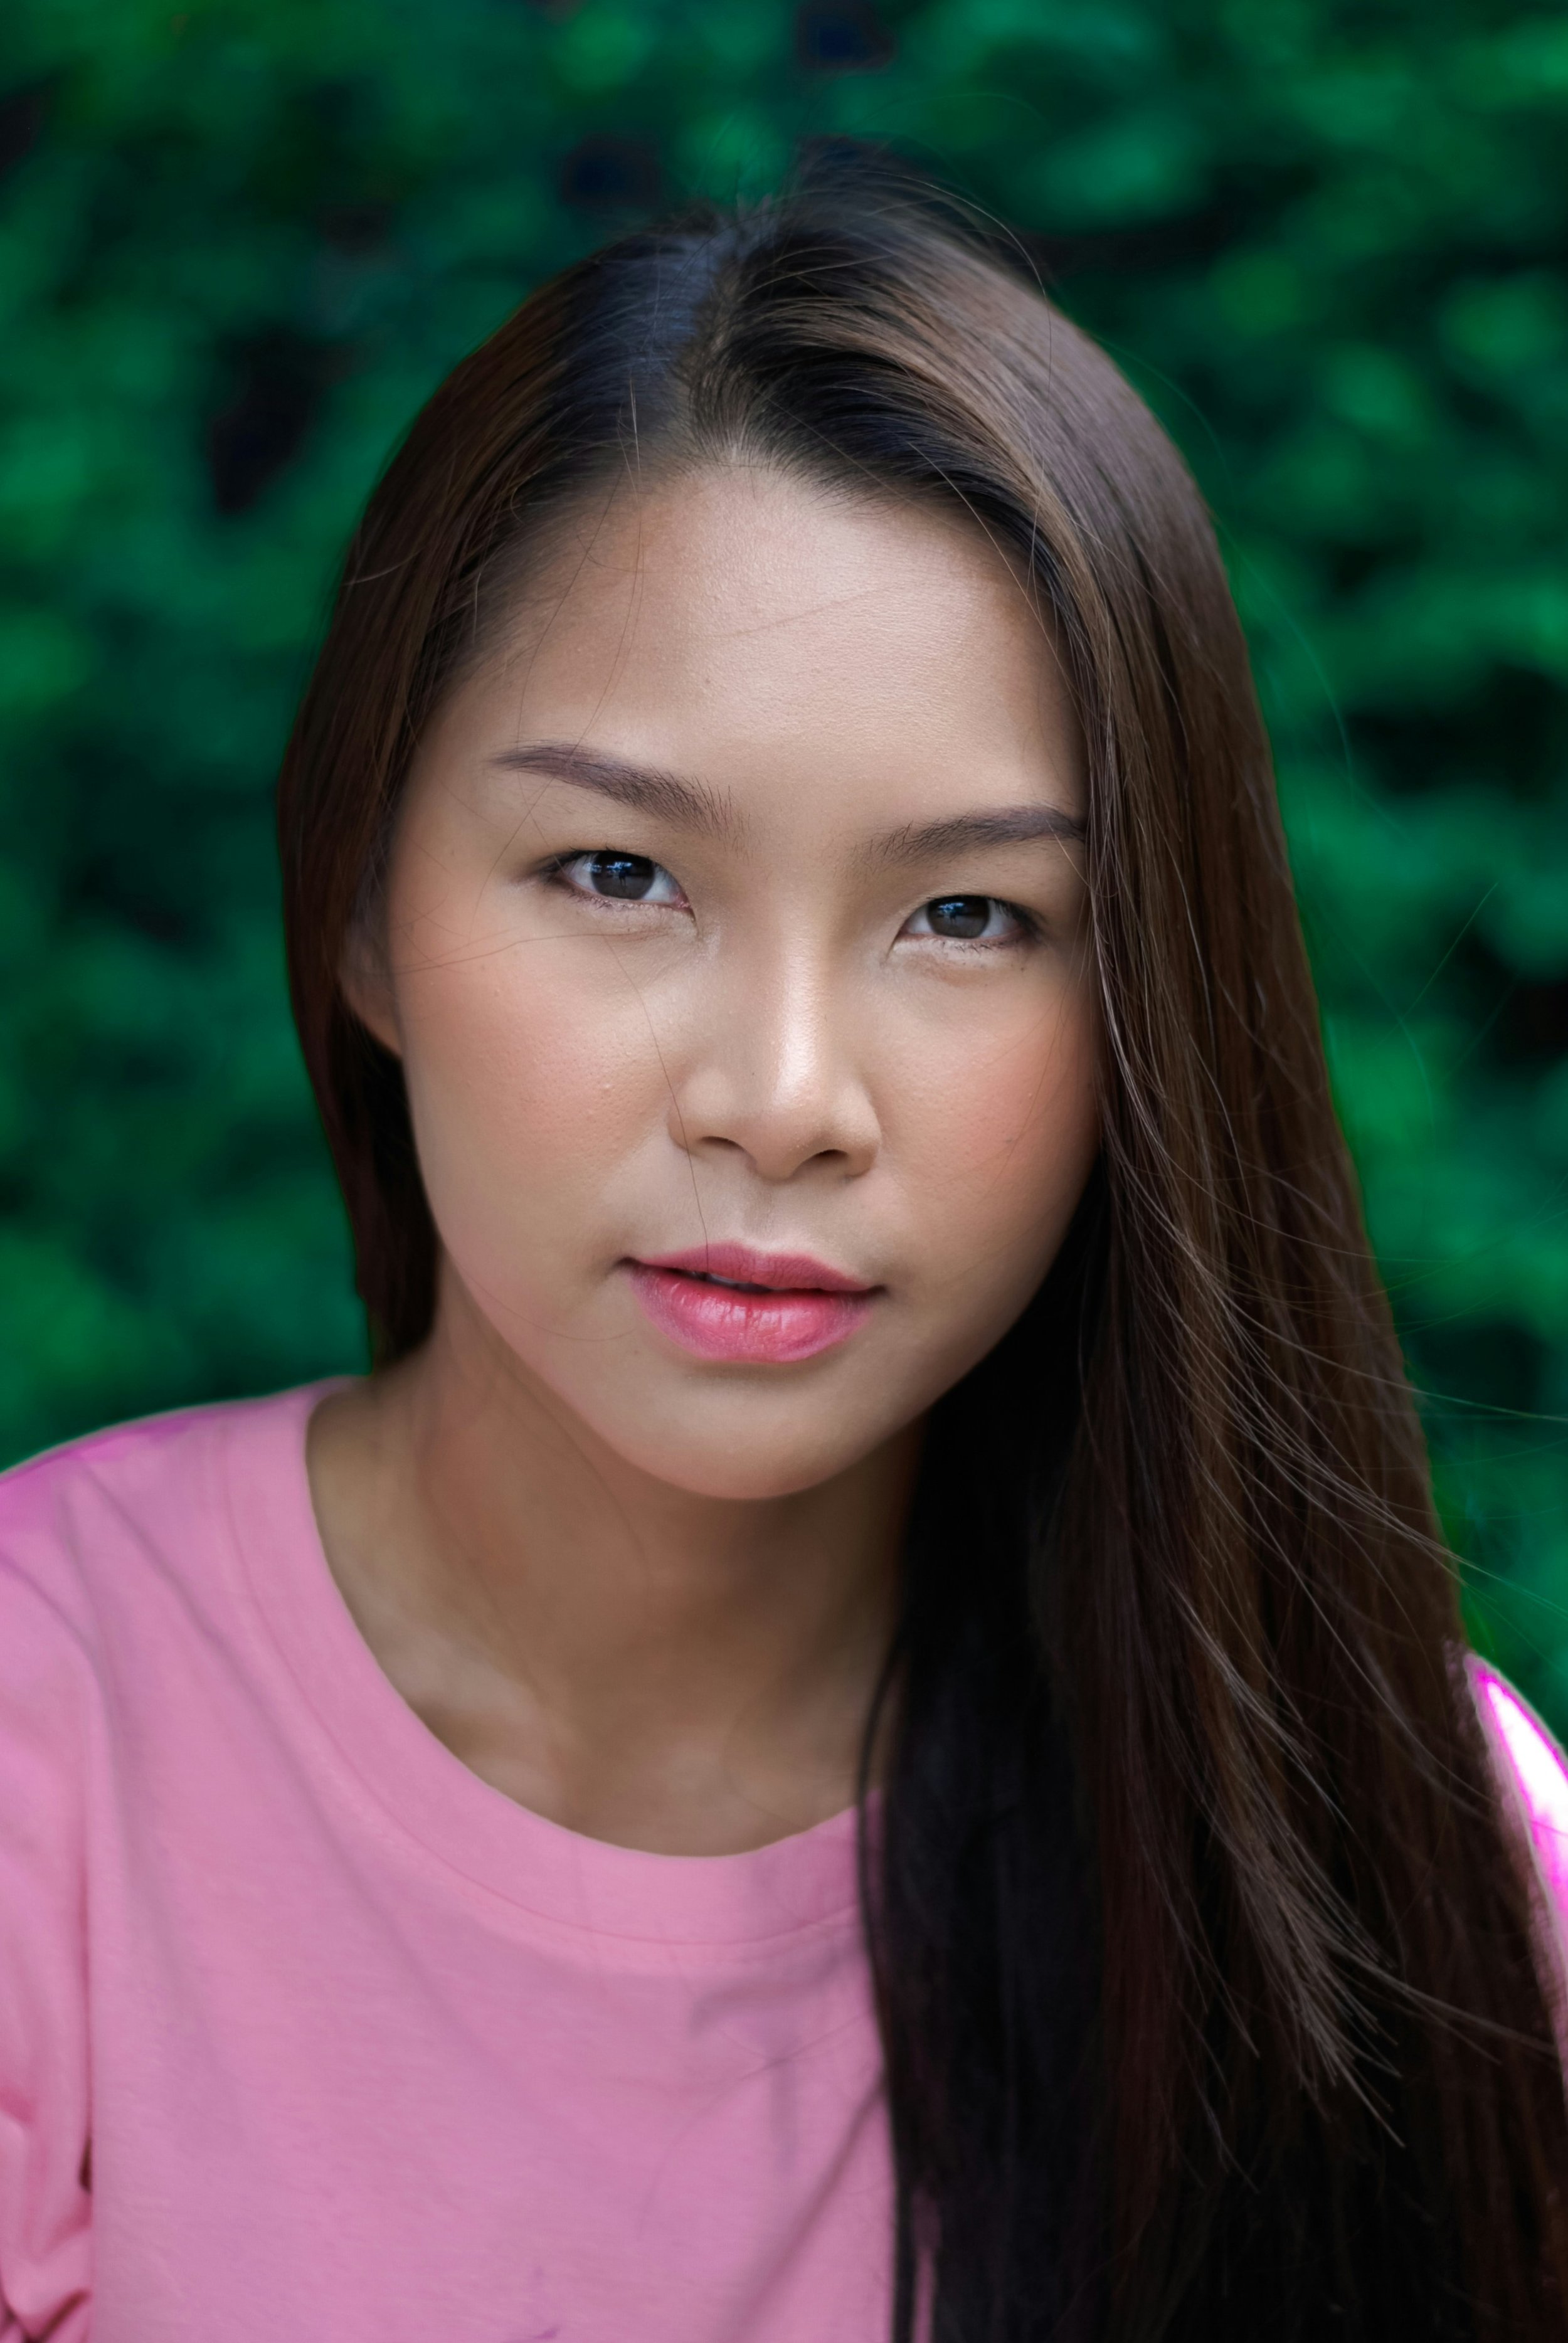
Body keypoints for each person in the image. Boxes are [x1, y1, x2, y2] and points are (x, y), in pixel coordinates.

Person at [1, 157, 1565, 2343]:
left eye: (968, 917)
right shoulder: (48, 1746)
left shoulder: (1402, 1854)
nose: (785, 1093)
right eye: (619, 872)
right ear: (364, 903)